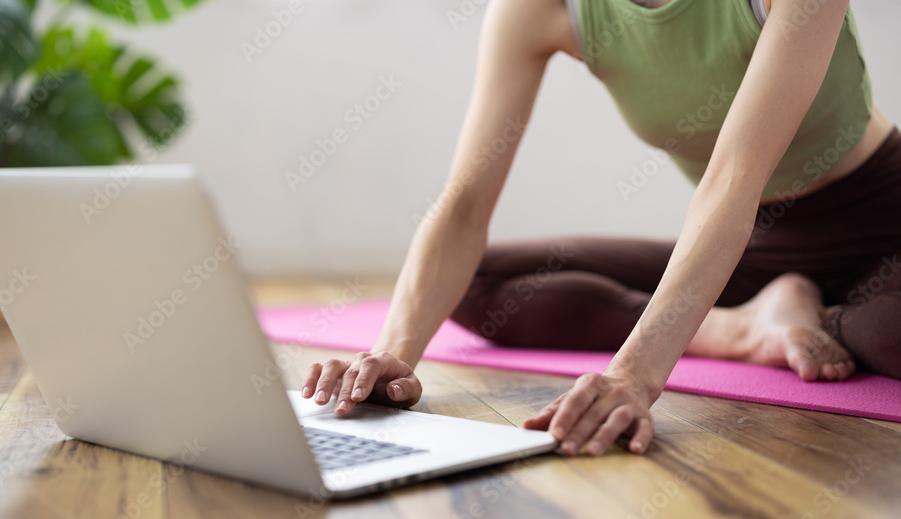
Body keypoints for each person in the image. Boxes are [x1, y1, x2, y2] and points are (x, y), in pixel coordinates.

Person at [300, 0, 900, 457]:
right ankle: (747, 328)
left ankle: (823, 322)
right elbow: (464, 206)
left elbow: (734, 179)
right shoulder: (542, 9)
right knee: (478, 282)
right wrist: (394, 354)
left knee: (889, 332)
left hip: (880, 223)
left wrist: (634, 374)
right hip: (751, 249)